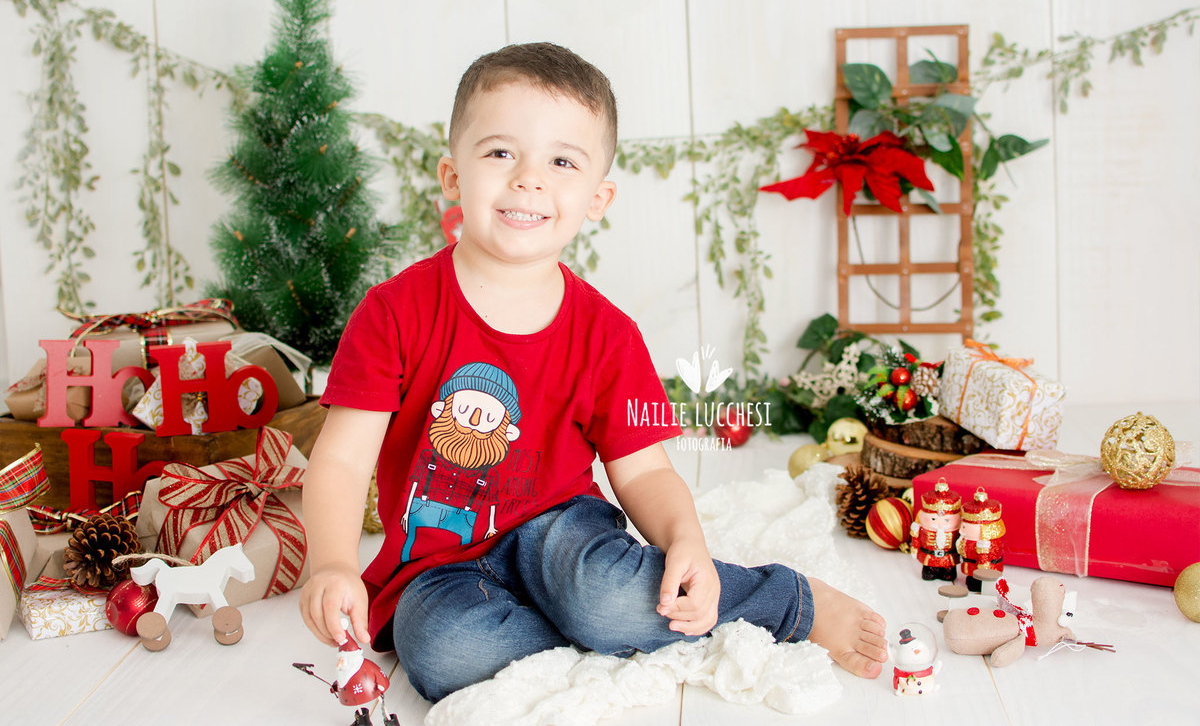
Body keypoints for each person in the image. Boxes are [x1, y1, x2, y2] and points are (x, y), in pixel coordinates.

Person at [299, 42, 887, 702]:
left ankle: (782, 600)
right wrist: (332, 563)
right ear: (451, 176)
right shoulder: (394, 312)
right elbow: (344, 463)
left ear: (597, 197)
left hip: (560, 530)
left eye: (561, 161)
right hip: (438, 561)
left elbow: (644, 470)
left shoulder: (604, 333)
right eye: (500, 152)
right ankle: (602, 628)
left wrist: (684, 539)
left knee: (605, 596)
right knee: (443, 653)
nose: (529, 179)